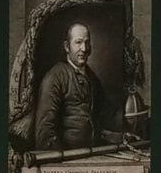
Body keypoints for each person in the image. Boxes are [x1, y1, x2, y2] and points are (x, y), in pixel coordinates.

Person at [24, 17, 130, 159]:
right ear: (67, 46)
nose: (84, 49)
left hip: (93, 155)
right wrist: (58, 163)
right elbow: (45, 131)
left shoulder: (92, 78)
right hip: (67, 160)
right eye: (78, 42)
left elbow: (106, 114)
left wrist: (129, 118)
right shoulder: (55, 77)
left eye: (87, 43)